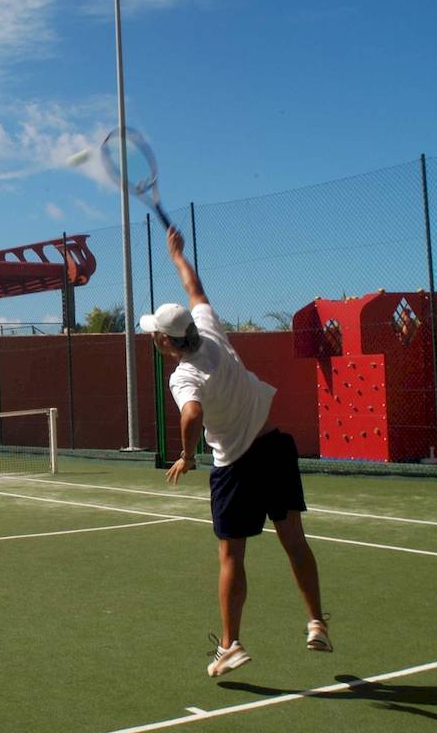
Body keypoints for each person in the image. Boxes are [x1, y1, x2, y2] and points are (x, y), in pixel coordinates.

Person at [140, 227, 330, 678]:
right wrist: (177, 256)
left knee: (232, 557)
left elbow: (190, 415)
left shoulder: (183, 376)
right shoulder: (209, 330)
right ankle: (317, 622)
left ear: (165, 342)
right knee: (295, 542)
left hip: (237, 467)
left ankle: (230, 645)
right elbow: (195, 288)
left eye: (154, 334)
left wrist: (186, 455)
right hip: (275, 449)